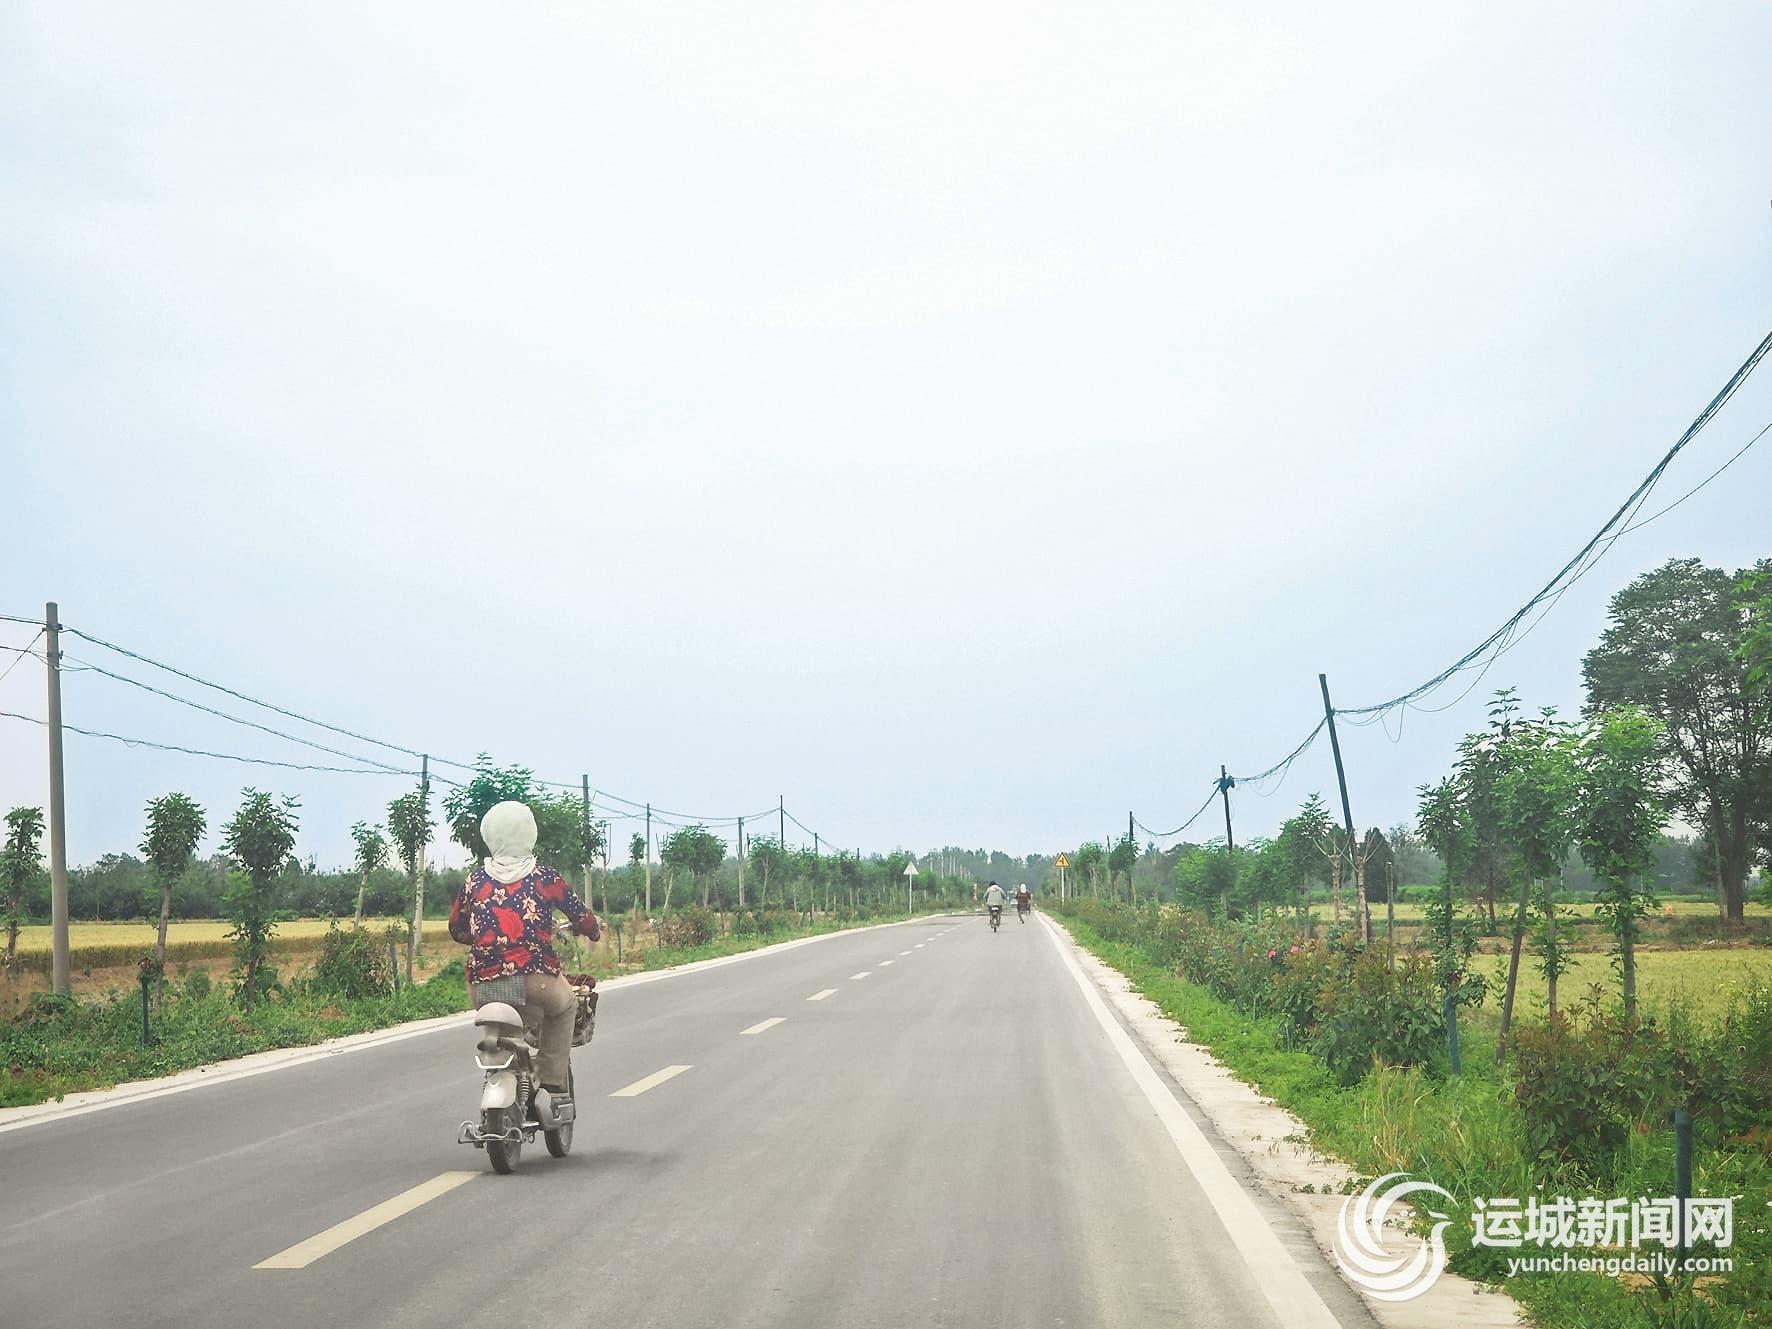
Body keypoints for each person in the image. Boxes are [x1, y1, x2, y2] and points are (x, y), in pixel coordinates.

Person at [449, 800, 600, 1108]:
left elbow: (457, 929)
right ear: (529, 833)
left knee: (499, 1029)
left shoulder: (474, 880)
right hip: (536, 981)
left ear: (490, 836)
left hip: (482, 985)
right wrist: (594, 931)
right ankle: (550, 1080)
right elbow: (582, 918)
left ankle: (502, 1073)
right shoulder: (545, 877)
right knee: (566, 1007)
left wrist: (487, 940)